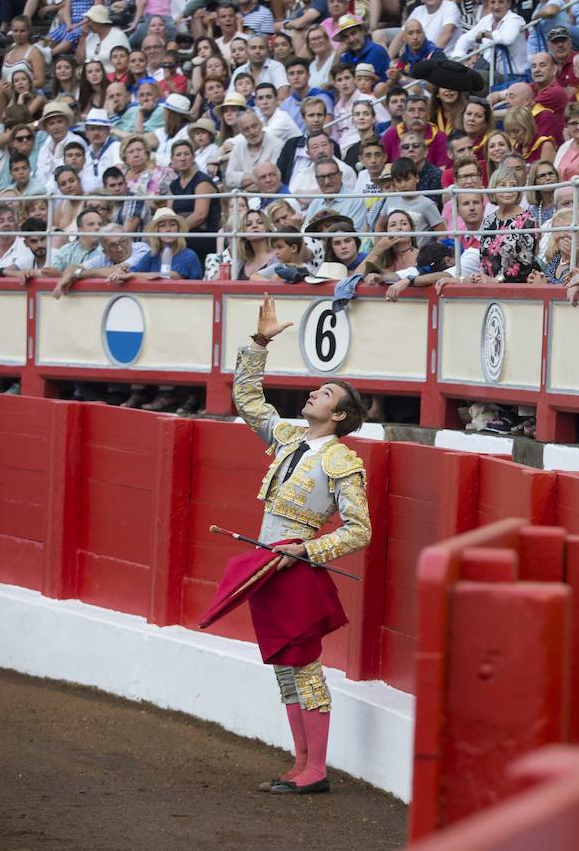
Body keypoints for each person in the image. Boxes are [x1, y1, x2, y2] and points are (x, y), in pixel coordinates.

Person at [230, 294, 372, 796]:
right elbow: (248, 401)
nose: (314, 393)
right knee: (285, 669)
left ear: (340, 414)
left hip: (294, 566)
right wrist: (260, 343)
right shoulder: (289, 439)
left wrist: (307, 550)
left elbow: (360, 530)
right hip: (266, 567)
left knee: (305, 667)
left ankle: (316, 770)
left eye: (326, 392)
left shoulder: (341, 462)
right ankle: (300, 764)